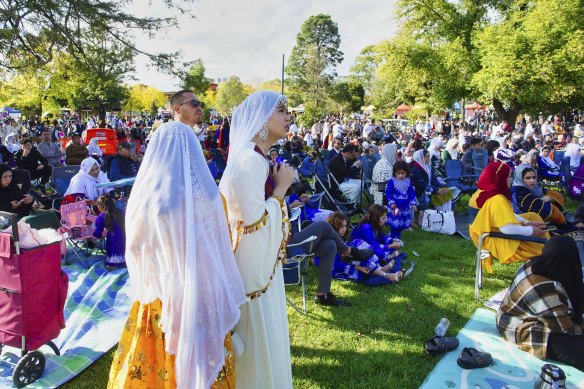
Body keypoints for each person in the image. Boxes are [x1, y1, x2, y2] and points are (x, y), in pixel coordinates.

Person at [108, 92, 246, 388]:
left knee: (154, 354)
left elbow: (136, 248)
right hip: (194, 291)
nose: (199, 108)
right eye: (194, 103)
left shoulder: (145, 199)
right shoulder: (206, 198)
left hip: (159, 294)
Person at [218, 90, 294, 388]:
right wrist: (281, 190)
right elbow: (254, 226)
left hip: (258, 263)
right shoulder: (251, 161)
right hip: (254, 270)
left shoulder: (254, 157)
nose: (288, 116)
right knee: (260, 341)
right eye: (280, 110)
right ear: (261, 120)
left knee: (265, 338)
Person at [497, 236, 584, 371]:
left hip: (544, 317)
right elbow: (566, 329)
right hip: (520, 326)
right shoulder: (541, 287)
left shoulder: (540, 264)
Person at [469, 162, 548, 274]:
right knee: (548, 248)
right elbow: (507, 229)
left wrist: (526, 222)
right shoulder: (496, 199)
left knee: (532, 216)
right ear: (500, 178)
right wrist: (531, 231)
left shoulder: (485, 191)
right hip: (494, 237)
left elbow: (503, 214)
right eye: (509, 176)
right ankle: (546, 251)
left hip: (486, 232)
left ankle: (546, 243)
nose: (511, 179)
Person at [321, 211, 402, 285]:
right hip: (336, 268)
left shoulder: (374, 226)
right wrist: (356, 267)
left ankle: (379, 269)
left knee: (358, 243)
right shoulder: (366, 227)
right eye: (341, 226)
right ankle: (384, 274)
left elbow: (381, 238)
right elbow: (335, 264)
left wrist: (391, 241)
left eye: (345, 226)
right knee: (361, 263)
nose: (344, 229)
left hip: (345, 258)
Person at [386, 161, 417, 239]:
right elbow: (388, 192)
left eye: (403, 173)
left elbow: (411, 192)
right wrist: (391, 202)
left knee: (402, 221)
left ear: (406, 172)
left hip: (404, 205)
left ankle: (398, 236)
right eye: (398, 173)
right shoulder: (392, 181)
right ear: (395, 173)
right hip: (396, 205)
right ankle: (392, 236)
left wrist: (413, 203)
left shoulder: (408, 181)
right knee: (395, 221)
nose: (401, 175)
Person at [93, 195, 126, 270]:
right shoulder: (121, 212)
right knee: (122, 247)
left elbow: (98, 230)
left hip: (112, 239)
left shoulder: (102, 216)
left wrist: (96, 235)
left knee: (113, 248)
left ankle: (113, 264)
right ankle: (124, 262)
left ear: (100, 207)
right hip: (124, 238)